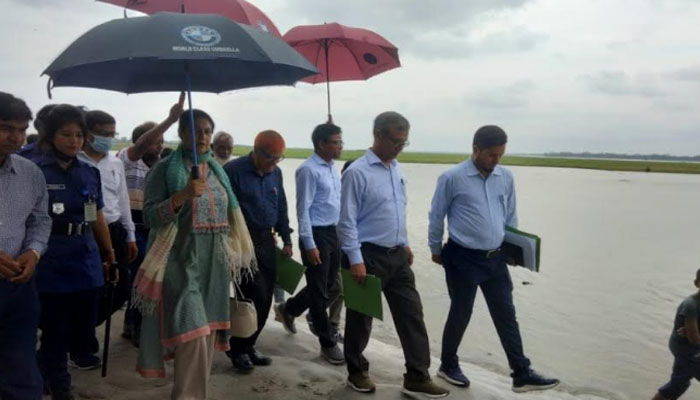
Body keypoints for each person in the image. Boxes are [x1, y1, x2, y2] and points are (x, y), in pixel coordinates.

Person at [134, 109, 256, 400]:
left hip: (215, 265)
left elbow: (227, 218)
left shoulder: (217, 170)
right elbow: (149, 216)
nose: (201, 136)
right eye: (194, 130)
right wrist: (182, 195)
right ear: (181, 134)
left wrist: (232, 256)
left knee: (207, 333)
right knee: (194, 332)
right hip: (180, 261)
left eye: (206, 131)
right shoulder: (164, 169)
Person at [428, 125, 559, 393]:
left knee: (506, 313)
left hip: (496, 258)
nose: (496, 160)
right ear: (476, 149)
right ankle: (448, 365)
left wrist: (513, 249)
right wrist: (435, 249)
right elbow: (436, 215)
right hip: (462, 257)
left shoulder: (505, 177)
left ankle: (521, 373)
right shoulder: (452, 177)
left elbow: (510, 215)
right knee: (461, 312)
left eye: (501, 154)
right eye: (492, 155)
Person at [337, 111, 449, 398]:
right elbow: (346, 222)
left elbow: (398, 211)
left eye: (404, 142)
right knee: (361, 318)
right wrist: (356, 260)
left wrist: (405, 242)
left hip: (397, 256)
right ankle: (357, 371)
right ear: (378, 135)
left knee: (411, 314)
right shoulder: (357, 172)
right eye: (396, 141)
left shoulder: (396, 169)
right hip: (367, 256)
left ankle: (417, 376)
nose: (399, 147)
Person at [33, 104, 115, 400]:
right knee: (55, 326)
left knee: (83, 324)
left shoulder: (89, 172)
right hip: (50, 257)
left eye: (79, 135)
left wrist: (109, 252)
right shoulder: (34, 170)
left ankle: (44, 366)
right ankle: (60, 384)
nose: (74, 141)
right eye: (66, 134)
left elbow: (96, 216)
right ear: (50, 136)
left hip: (85, 257)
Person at [223, 130, 293, 373]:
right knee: (250, 296)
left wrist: (287, 239)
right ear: (256, 151)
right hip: (241, 240)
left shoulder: (276, 173)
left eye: (279, 158)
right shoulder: (233, 171)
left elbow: (281, 206)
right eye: (271, 158)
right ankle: (238, 349)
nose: (274, 163)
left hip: (266, 240)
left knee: (265, 296)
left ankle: (250, 344)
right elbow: (223, 210)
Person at [73, 110, 138, 368]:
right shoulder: (75, 161)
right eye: (102, 133)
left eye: (112, 134)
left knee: (120, 289)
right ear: (88, 133)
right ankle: (81, 344)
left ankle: (79, 332)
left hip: (114, 229)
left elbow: (122, 200)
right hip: (84, 232)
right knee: (89, 290)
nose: (108, 139)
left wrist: (130, 235)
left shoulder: (115, 163)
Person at [118, 94, 184, 345]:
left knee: (152, 277)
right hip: (131, 227)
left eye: (162, 142)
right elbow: (141, 146)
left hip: (155, 225)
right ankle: (134, 326)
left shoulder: (163, 166)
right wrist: (170, 120)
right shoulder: (126, 160)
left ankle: (138, 324)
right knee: (139, 277)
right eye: (155, 141)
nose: (159, 146)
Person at [276, 123, 345, 364]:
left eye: (340, 141)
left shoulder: (332, 167)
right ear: (321, 144)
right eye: (335, 142)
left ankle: (289, 309)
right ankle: (327, 343)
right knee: (319, 290)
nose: (340, 146)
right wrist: (309, 243)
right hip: (316, 234)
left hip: (333, 232)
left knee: (331, 284)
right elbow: (303, 209)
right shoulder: (308, 170)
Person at [0, 92, 52, 400]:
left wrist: (33, 252)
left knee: (21, 373)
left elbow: (40, 220)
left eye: (21, 130)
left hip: (17, 286)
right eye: (7, 128)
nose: (16, 138)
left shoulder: (30, 173)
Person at [652, 269, 700, 400]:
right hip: (685, 348)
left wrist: (695, 331)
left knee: (678, 384)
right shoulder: (691, 305)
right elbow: (694, 339)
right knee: (679, 383)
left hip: (693, 348)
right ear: (696, 283)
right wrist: (693, 332)